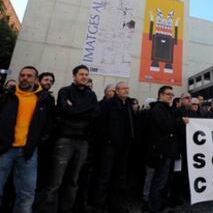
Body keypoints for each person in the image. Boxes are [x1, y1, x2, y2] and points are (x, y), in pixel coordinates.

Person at [37, 65, 98, 213]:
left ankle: (66, 209)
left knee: (73, 181)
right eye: (81, 74)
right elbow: (65, 110)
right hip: (65, 140)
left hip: (83, 142)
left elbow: (95, 114)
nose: (84, 77)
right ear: (74, 76)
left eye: (86, 74)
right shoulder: (65, 91)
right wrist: (83, 110)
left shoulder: (91, 95)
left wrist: (75, 109)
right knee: (55, 181)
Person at [0, 66, 54, 212]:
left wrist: (37, 143)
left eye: (29, 76)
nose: (25, 78)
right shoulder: (7, 95)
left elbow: (48, 125)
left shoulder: (44, 99)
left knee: (27, 193)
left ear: (36, 79)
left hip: (28, 152)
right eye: (22, 75)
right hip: (4, 150)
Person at [90, 81, 135, 213]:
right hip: (109, 146)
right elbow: (100, 124)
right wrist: (108, 140)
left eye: (127, 88)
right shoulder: (107, 104)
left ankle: (114, 204)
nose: (126, 91)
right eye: (123, 89)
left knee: (118, 176)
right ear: (117, 90)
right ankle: (99, 205)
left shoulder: (128, 104)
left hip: (123, 147)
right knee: (105, 175)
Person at [145, 86, 188, 213]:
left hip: (167, 151)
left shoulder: (166, 109)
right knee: (159, 181)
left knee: (163, 181)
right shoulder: (158, 109)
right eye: (168, 94)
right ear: (160, 95)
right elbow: (165, 125)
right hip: (161, 151)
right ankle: (155, 207)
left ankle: (160, 205)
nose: (170, 96)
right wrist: (180, 121)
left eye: (172, 94)